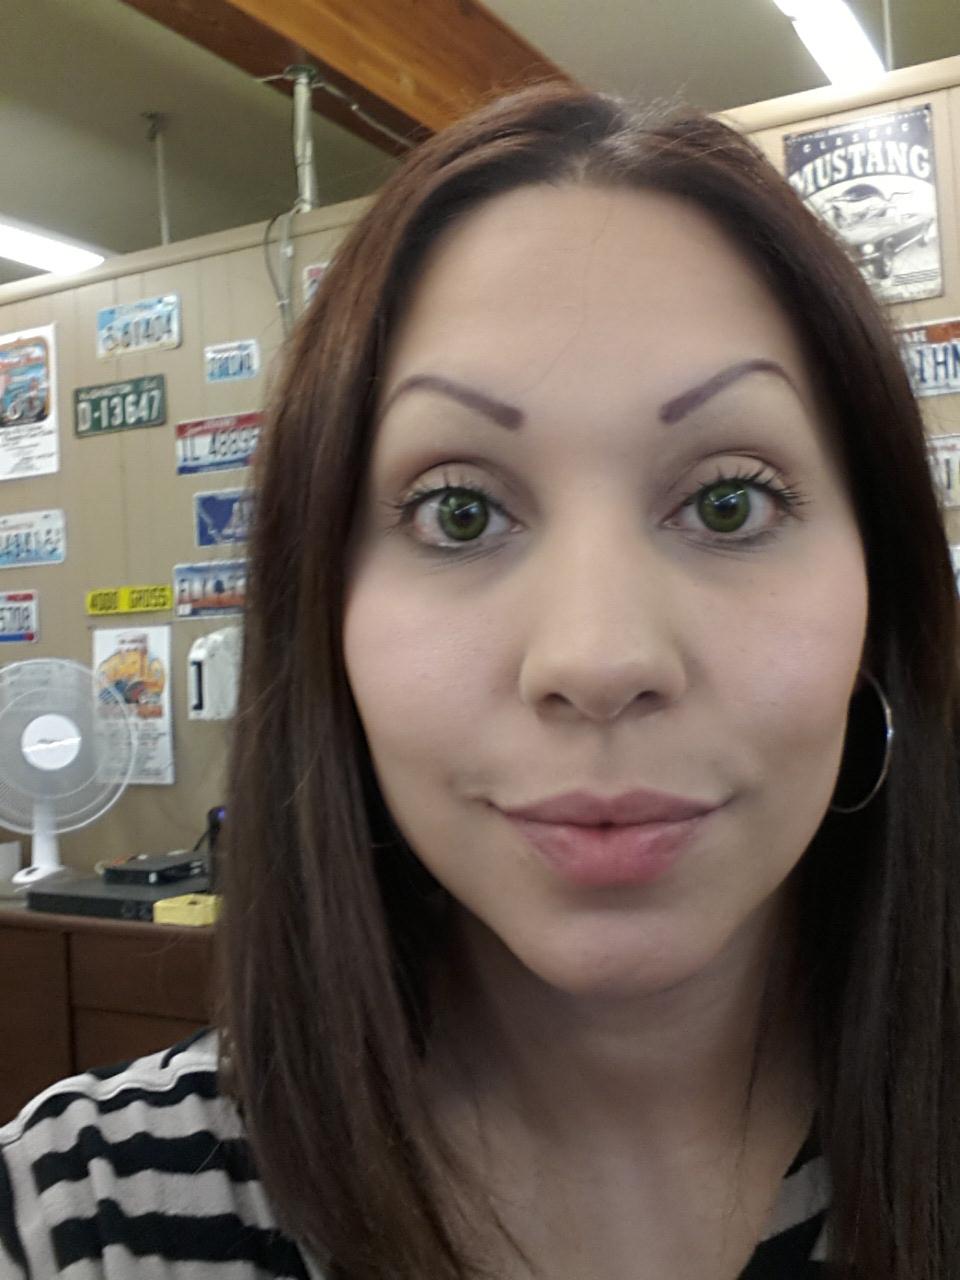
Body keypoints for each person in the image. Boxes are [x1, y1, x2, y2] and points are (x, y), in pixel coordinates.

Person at [2, 81, 959, 1279]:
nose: (597, 659)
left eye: (729, 502)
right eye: (459, 511)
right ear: (324, 615)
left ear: (879, 592)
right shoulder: (82, 1211)